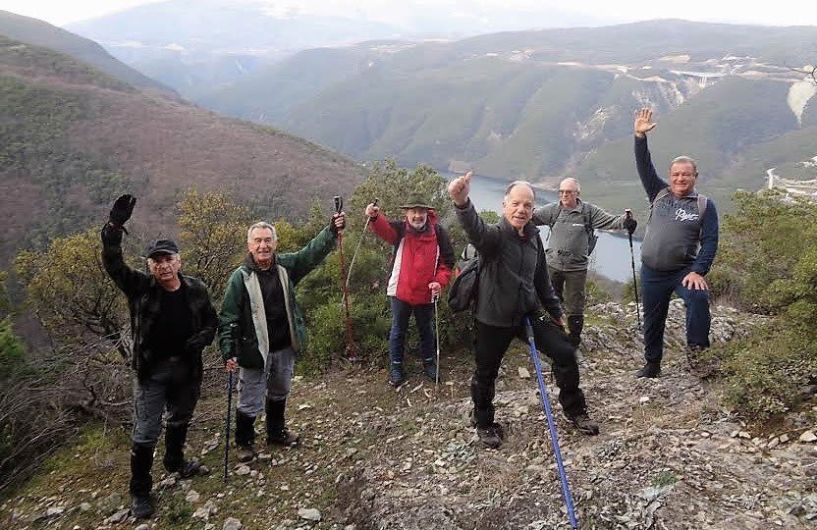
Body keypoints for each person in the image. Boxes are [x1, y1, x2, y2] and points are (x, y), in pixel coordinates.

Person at [447, 173, 599, 448]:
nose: (522, 210)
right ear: (505, 204)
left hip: (528, 314)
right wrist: (462, 202)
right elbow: (475, 229)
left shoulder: (533, 239)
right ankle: (483, 422)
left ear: (533, 209)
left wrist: (555, 311)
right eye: (516, 203)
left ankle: (576, 411)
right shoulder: (493, 238)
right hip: (492, 318)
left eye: (528, 205)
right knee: (486, 373)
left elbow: (541, 280)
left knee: (565, 352)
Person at [100, 195, 218, 520]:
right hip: (151, 373)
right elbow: (112, 264)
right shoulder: (140, 288)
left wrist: (204, 338)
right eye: (156, 261)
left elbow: (212, 320)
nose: (163, 265)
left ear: (179, 261)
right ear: (150, 266)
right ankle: (140, 491)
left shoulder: (196, 289)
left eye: (168, 259)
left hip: (186, 372)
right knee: (146, 431)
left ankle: (175, 462)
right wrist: (114, 228)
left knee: (180, 419)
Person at [219, 211, 346, 462]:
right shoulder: (240, 278)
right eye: (258, 241)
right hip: (255, 350)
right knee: (249, 397)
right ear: (249, 245)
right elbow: (228, 317)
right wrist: (228, 350)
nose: (263, 246)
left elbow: (310, 254)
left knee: (280, 390)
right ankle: (244, 442)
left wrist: (331, 230)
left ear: (275, 243)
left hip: (284, 345)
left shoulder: (285, 268)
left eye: (267, 240)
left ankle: (276, 433)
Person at [633, 107, 719, 378]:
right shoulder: (658, 193)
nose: (680, 178)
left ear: (695, 176)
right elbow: (644, 166)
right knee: (652, 319)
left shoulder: (704, 205)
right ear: (670, 177)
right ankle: (652, 364)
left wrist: (698, 271)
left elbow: (710, 241)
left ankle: (698, 357)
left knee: (697, 298)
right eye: (676, 174)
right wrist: (639, 137)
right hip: (651, 271)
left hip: (683, 270)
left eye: (686, 174)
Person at [533, 177, 637, 346]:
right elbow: (531, 218)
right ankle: (553, 335)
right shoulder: (553, 210)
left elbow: (610, 221)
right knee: (551, 300)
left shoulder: (588, 212)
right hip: (553, 265)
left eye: (569, 192)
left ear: (577, 193)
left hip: (576, 268)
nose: (564, 195)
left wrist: (626, 222)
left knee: (575, 305)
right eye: (562, 192)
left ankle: (573, 340)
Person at [364, 195, 455, 386]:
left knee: (426, 330)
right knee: (398, 330)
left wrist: (439, 282)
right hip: (400, 291)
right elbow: (385, 231)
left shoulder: (438, 233)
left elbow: (447, 263)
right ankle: (396, 368)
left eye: (420, 211)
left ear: (427, 213)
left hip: (426, 293)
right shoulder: (400, 230)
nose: (417, 216)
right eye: (413, 211)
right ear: (407, 213)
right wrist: (374, 217)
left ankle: (429, 364)